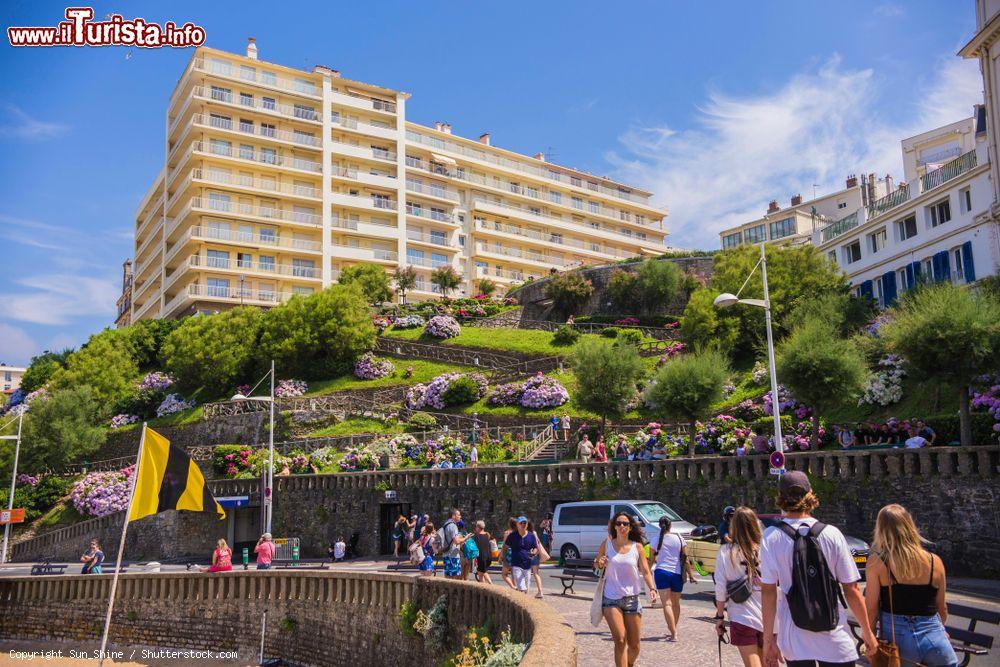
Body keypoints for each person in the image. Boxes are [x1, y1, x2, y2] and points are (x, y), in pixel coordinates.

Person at [759, 470, 877, 667]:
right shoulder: (832, 534)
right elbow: (852, 589)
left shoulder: (771, 536)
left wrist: (769, 641)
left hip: (794, 637)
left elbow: (768, 591)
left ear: (780, 497)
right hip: (834, 636)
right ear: (809, 494)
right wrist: (867, 632)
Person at [864, 504, 958, 667]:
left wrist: (870, 640)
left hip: (898, 643)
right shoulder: (934, 561)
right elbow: (941, 608)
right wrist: (939, 631)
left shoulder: (878, 562)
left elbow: (871, 610)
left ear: (881, 530)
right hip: (935, 638)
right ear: (910, 526)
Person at [595, 512, 659, 667]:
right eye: (618, 523)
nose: (621, 526)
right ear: (614, 526)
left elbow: (645, 570)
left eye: (625, 524)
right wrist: (600, 563)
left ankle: (628, 663)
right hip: (611, 599)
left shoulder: (637, 547)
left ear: (630, 527)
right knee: (620, 639)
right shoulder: (607, 544)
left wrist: (652, 588)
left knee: (635, 646)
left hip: (632, 599)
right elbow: (597, 564)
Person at [714, 508, 764, 667]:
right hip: (770, 615)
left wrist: (720, 617)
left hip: (742, 615)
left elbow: (720, 588)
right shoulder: (766, 549)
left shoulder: (726, 552)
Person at [650, 516, 695, 641]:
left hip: (661, 572)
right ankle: (673, 629)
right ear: (671, 526)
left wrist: (647, 571)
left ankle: (673, 633)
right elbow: (686, 559)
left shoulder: (655, 540)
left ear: (660, 526)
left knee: (667, 604)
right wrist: (691, 575)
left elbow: (651, 560)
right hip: (677, 574)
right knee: (676, 604)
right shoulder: (680, 539)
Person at [502, 516, 539, 593]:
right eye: (521, 523)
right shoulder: (512, 536)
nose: (523, 524)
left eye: (524, 523)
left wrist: (533, 553)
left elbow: (536, 547)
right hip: (516, 564)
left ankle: (524, 601)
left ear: (527, 525)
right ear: (517, 525)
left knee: (527, 588)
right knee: (521, 586)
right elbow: (505, 547)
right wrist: (504, 558)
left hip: (527, 564)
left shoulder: (531, 536)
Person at [441, 508, 468, 579]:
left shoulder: (446, 524)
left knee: (447, 576)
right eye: (458, 515)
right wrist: (466, 538)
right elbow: (457, 541)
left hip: (446, 554)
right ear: (453, 516)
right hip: (452, 555)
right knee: (455, 577)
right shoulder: (453, 526)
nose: (460, 516)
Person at [527, 519, 550, 598]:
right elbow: (538, 544)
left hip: (529, 554)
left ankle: (525, 591)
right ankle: (540, 591)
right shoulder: (534, 533)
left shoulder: (526, 533)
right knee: (536, 573)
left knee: (525, 572)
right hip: (535, 554)